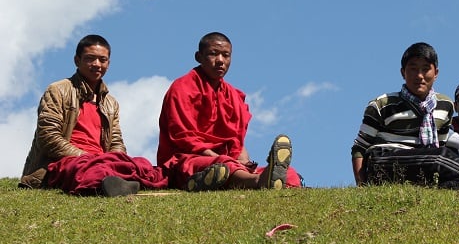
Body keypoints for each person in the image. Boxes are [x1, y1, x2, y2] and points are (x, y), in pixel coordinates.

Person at [351, 42, 459, 192]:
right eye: (413, 69)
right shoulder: (383, 104)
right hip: (384, 162)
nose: (419, 76)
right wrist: (362, 186)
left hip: (422, 166)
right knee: (440, 157)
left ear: (436, 73)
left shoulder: (444, 105)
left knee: (448, 183)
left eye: (425, 69)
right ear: (403, 72)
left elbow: (444, 137)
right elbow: (360, 147)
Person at [19, 35, 168, 197]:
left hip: (101, 160)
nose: (97, 64)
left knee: (141, 164)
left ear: (108, 64)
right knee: (89, 169)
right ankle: (114, 183)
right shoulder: (58, 90)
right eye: (90, 59)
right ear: (77, 60)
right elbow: (48, 138)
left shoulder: (110, 103)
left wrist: (116, 159)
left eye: (102, 60)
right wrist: (87, 157)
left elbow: (116, 142)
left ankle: (117, 183)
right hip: (66, 161)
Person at [157, 32, 301, 191]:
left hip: (228, 163)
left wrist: (244, 163)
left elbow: (236, 141)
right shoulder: (182, 88)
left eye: (226, 55)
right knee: (222, 167)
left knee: (291, 173)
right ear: (198, 57)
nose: (220, 61)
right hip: (187, 160)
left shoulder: (232, 95)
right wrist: (219, 158)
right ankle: (257, 182)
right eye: (213, 54)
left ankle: (258, 179)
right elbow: (182, 137)